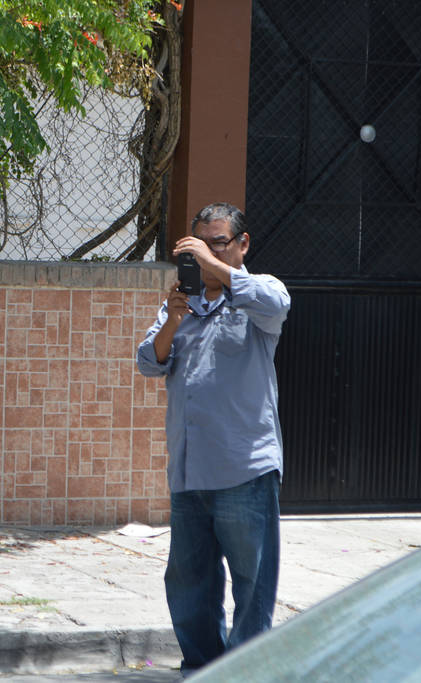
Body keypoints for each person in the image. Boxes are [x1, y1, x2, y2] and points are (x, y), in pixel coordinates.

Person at [136, 202, 290, 676]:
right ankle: (202, 668)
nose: (206, 254)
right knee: (189, 583)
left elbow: (277, 306)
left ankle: (243, 673)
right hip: (189, 472)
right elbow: (148, 361)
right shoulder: (182, 305)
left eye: (218, 243)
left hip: (244, 471)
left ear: (242, 244)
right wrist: (173, 320)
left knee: (252, 583)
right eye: (198, 246)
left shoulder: (259, 295)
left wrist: (215, 265)